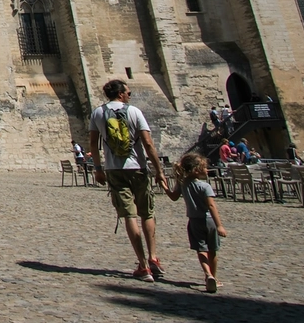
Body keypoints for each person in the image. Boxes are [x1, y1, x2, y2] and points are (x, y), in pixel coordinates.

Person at [89, 79, 167, 282]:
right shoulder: (134, 112)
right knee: (147, 213)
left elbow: (93, 144)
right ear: (121, 94)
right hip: (138, 168)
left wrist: (98, 169)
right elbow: (148, 144)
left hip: (114, 169)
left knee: (129, 216)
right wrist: (159, 170)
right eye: (129, 93)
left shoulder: (98, 113)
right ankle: (153, 258)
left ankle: (142, 265)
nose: (130, 95)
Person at [164, 153, 228, 293]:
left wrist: (165, 186)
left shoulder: (183, 183)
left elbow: (174, 197)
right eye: (205, 168)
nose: (207, 170)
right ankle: (214, 277)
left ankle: (207, 274)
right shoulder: (205, 187)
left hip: (194, 221)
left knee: (201, 249)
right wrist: (219, 225)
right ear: (196, 170)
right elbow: (211, 206)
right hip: (209, 221)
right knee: (213, 251)